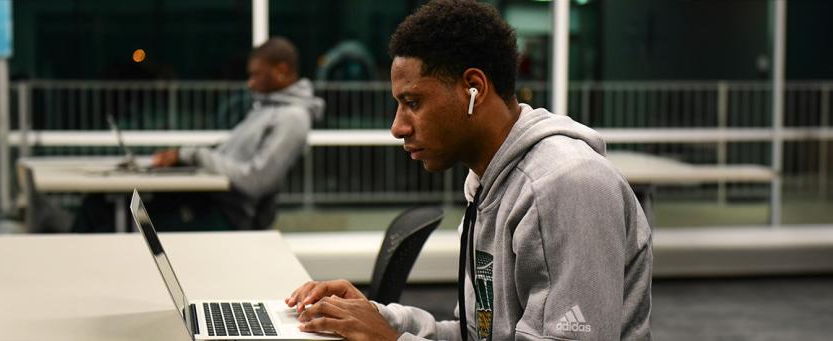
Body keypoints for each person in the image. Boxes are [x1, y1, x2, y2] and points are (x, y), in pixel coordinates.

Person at [284, 1, 653, 340]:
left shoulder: (567, 185)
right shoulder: (488, 183)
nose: (397, 127)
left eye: (413, 102)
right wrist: (378, 317)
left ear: (473, 88)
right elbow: (475, 334)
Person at [147, 36, 324, 230]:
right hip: (214, 204)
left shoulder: (292, 118)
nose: (251, 83)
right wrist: (185, 157)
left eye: (256, 75)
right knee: (145, 210)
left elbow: (256, 181)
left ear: (281, 70)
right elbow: (229, 156)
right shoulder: (265, 108)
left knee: (145, 226)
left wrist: (195, 155)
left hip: (231, 217)